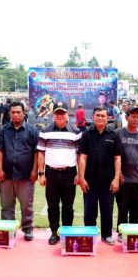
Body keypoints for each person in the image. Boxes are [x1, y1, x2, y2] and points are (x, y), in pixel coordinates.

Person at [37, 102, 82, 245]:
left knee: (68, 206)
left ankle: (67, 233)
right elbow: (40, 153)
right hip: (51, 173)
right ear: (53, 114)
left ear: (67, 115)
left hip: (69, 173)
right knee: (52, 206)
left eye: (62, 113)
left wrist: (79, 174)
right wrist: (41, 173)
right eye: (57, 113)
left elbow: (79, 155)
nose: (60, 116)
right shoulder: (45, 131)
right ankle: (54, 232)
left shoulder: (75, 131)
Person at [0, 101, 40, 241]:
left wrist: (35, 170)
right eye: (13, 112)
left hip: (26, 175)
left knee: (26, 205)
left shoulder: (32, 131)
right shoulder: (3, 130)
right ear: (9, 113)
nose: (15, 114)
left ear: (23, 113)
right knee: (6, 205)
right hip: (7, 174)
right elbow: (0, 150)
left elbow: (36, 152)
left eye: (18, 112)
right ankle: (8, 229)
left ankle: (27, 228)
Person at [78, 107, 122, 244]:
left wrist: (116, 179)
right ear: (93, 117)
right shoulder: (86, 134)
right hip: (90, 180)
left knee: (107, 210)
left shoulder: (113, 135)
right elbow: (83, 157)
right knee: (89, 211)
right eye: (98, 115)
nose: (100, 118)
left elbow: (117, 158)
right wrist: (81, 178)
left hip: (108, 181)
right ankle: (89, 235)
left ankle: (106, 235)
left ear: (107, 118)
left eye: (103, 116)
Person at [115, 106, 138, 241]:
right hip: (123, 179)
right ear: (126, 117)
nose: (136, 119)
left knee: (137, 209)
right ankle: (121, 232)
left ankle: (133, 231)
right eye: (133, 117)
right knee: (123, 208)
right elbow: (114, 156)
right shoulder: (118, 133)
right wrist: (118, 173)